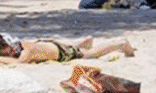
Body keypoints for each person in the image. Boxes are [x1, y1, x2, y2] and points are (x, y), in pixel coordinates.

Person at [0, 33, 136, 65]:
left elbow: (20, 63)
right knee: (73, 45)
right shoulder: (20, 44)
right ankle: (85, 41)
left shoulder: (27, 51)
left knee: (91, 54)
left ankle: (121, 44)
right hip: (51, 45)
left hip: (62, 52)